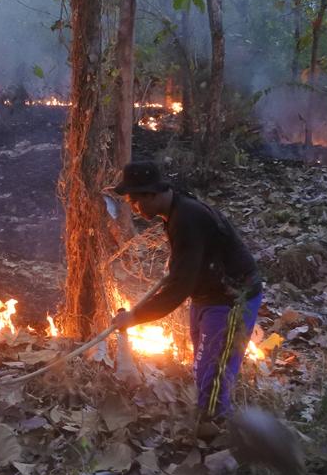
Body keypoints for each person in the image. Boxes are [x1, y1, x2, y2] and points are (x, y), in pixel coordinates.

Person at [109, 161, 263, 429]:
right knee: (202, 363)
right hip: (208, 294)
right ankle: (210, 416)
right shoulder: (176, 212)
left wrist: (134, 317)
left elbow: (178, 289)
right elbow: (190, 262)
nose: (134, 208)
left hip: (232, 299)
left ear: (152, 194)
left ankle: (214, 431)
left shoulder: (186, 218)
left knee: (214, 372)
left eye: (135, 201)